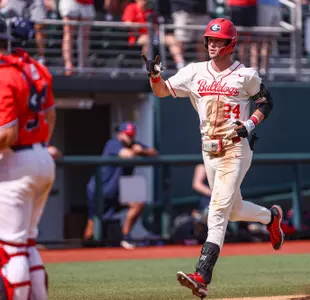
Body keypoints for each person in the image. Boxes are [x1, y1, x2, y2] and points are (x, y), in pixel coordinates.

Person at [142, 18, 284, 298]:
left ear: (230, 44)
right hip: (209, 150)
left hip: (236, 146)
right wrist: (154, 75)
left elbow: (266, 101)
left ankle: (202, 275)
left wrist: (251, 124)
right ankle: (271, 218)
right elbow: (160, 91)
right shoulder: (194, 72)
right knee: (232, 209)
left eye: (218, 40)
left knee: (217, 210)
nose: (213, 44)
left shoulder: (245, 74)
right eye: (210, 40)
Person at [0, 12, 56, 300]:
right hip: (41, 157)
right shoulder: (32, 68)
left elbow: (5, 134)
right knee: (26, 244)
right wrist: (40, 144)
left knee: (10, 249)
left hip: (14, 160)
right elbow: (50, 114)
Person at [83, 121, 158, 249]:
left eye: (131, 135)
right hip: (100, 191)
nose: (129, 137)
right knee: (92, 228)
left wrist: (143, 150)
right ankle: (83, 251)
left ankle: (125, 236)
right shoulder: (113, 144)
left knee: (138, 203)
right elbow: (126, 155)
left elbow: (154, 153)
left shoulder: (134, 145)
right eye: (127, 134)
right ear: (120, 135)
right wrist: (136, 151)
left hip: (119, 191)